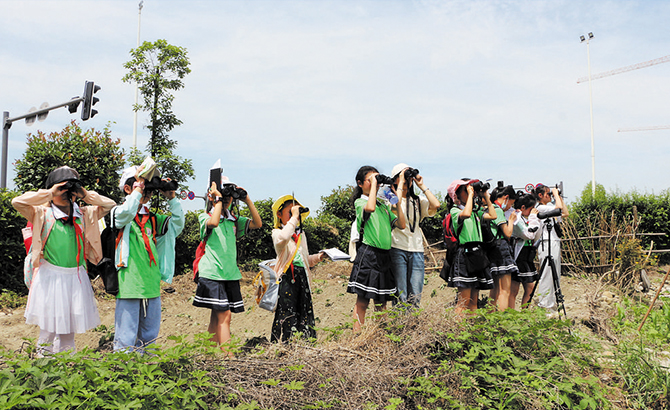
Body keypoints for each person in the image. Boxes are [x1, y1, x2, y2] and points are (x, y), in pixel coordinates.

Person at [12, 166, 115, 354]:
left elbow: (109, 205)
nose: (66, 193)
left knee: (69, 331)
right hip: (51, 277)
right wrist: (49, 193)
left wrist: (84, 194)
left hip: (75, 277)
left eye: (69, 189)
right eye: (62, 189)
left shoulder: (83, 214)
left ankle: (67, 368)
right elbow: (17, 202)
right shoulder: (41, 214)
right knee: (48, 330)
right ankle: (45, 367)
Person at [112, 164, 184, 352]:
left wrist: (171, 198)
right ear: (128, 189)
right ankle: (124, 372)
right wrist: (138, 189)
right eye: (144, 188)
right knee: (126, 335)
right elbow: (126, 213)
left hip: (151, 281)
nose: (148, 193)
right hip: (129, 283)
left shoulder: (153, 218)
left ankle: (147, 370)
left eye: (150, 190)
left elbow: (177, 224)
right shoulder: (118, 213)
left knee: (150, 333)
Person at [192, 178, 262, 354]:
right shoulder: (205, 217)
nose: (227, 200)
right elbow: (214, 222)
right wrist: (216, 200)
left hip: (229, 274)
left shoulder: (233, 221)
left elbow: (257, 223)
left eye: (229, 197)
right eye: (224, 196)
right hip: (212, 273)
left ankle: (208, 357)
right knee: (225, 315)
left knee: (216, 317)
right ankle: (228, 358)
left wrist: (247, 200)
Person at [347, 166, 406, 332]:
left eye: (376, 179)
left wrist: (396, 200)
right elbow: (370, 208)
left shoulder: (383, 204)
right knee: (363, 301)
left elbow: (401, 224)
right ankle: (357, 336)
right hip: (369, 253)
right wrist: (375, 185)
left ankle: (382, 335)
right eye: (370, 179)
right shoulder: (361, 202)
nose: (376, 183)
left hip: (384, 256)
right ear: (360, 183)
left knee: (382, 301)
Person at [270, 195, 324, 343]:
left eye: (297, 213)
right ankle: (285, 344)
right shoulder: (277, 233)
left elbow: (305, 260)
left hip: (302, 277)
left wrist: (319, 257)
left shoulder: (300, 236)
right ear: (279, 215)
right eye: (290, 212)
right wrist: (294, 218)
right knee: (287, 312)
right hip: (287, 277)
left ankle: (304, 344)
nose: (295, 216)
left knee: (304, 310)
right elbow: (282, 238)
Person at [389, 163, 440, 308]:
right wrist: (400, 182)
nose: (407, 180)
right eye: (404, 176)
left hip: (416, 249)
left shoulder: (417, 200)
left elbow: (436, 205)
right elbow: (395, 205)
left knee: (416, 293)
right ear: (395, 179)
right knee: (401, 294)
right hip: (397, 247)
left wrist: (422, 186)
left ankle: (413, 326)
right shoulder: (389, 197)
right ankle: (399, 326)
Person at [446, 179, 496, 314]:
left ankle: (471, 332)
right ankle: (458, 331)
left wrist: (486, 196)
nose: (470, 192)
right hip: (464, 254)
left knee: (474, 300)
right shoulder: (455, 210)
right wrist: (471, 195)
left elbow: (493, 215)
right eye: (465, 190)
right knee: (464, 300)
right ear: (456, 195)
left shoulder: (476, 212)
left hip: (477, 254)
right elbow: (466, 214)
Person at [533, 184, 569, 310]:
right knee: (547, 274)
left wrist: (558, 195)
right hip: (546, 242)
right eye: (548, 194)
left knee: (555, 273)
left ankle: (552, 302)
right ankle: (545, 304)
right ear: (540, 195)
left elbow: (565, 212)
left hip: (554, 241)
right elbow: (558, 208)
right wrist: (556, 194)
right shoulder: (541, 208)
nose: (550, 196)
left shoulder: (548, 207)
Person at [486, 184, 519, 311]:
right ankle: (502, 324)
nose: (510, 206)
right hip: (501, 250)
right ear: (506, 198)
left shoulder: (488, 208)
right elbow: (508, 233)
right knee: (505, 290)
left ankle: (491, 319)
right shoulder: (498, 210)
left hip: (491, 250)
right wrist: (510, 220)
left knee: (494, 290)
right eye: (511, 202)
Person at [508, 193, 542, 309]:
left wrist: (535, 219)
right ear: (523, 207)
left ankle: (525, 315)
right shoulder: (516, 218)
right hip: (519, 256)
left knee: (530, 288)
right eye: (531, 208)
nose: (533, 211)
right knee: (514, 289)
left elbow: (536, 236)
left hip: (527, 254)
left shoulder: (525, 218)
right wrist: (533, 218)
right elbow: (528, 235)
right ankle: (511, 317)